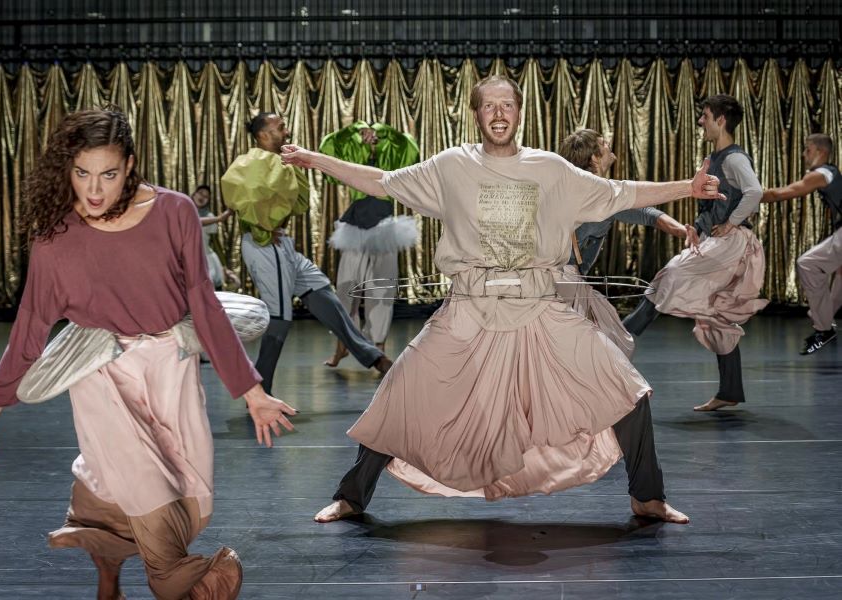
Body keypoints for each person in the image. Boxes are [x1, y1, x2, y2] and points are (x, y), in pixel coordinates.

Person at [282, 75, 726, 526]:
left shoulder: (551, 169)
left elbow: (618, 194)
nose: (498, 113)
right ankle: (351, 496)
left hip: (539, 307)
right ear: (476, 114)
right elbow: (381, 181)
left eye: (507, 105)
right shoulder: (451, 166)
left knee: (627, 392)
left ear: (519, 112)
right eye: (489, 106)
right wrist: (316, 160)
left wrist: (685, 189)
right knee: (401, 392)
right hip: (468, 309)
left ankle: (647, 497)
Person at [0, 108, 296, 600]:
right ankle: (176, 581)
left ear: (130, 165)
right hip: (99, 371)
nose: (94, 190)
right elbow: (30, 326)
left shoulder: (175, 212)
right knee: (140, 482)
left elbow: (202, 302)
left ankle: (109, 568)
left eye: (108, 175)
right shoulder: (55, 237)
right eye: (82, 174)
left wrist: (253, 392)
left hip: (170, 365)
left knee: (184, 491)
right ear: (67, 169)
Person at [221, 112, 393, 394]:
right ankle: (260, 392)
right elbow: (242, 197)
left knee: (323, 293)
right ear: (263, 135)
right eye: (280, 128)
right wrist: (263, 228)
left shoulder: (281, 161)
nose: (286, 132)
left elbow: (297, 202)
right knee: (279, 317)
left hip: (281, 244)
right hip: (267, 245)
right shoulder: (250, 161)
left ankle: (373, 357)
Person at [623, 94, 768, 411]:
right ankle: (730, 391)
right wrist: (699, 228)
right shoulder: (715, 158)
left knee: (669, 276)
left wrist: (730, 223)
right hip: (718, 241)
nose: (700, 121)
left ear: (721, 120)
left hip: (733, 244)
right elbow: (714, 204)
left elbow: (755, 191)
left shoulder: (733, 158)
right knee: (715, 313)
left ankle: (617, 341)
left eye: (705, 115)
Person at [557, 128, 698, 357]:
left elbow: (646, 213)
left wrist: (682, 230)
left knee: (604, 345)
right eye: (603, 143)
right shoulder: (595, 192)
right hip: (561, 281)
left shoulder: (600, 192)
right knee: (601, 348)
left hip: (566, 279)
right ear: (594, 157)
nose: (608, 144)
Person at [320, 122, 420, 366]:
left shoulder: (393, 156)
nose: (371, 138)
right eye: (368, 135)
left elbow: (410, 147)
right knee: (346, 289)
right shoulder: (353, 154)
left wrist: (384, 131)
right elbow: (328, 149)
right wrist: (354, 130)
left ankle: (379, 347)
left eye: (375, 135)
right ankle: (342, 346)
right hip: (355, 229)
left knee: (382, 291)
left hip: (384, 229)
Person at [761, 133, 841, 354]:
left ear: (821, 152)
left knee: (807, 263)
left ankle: (824, 328)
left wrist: (750, 196)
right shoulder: (830, 172)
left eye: (808, 149)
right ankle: (825, 322)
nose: (804, 154)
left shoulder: (822, 173)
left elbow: (781, 194)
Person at [191, 184, 235, 290]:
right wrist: (220, 218)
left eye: (206, 197)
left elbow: (215, 243)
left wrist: (224, 266)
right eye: (201, 193)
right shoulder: (182, 210)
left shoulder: (210, 217)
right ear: (194, 194)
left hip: (205, 260)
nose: (202, 197)